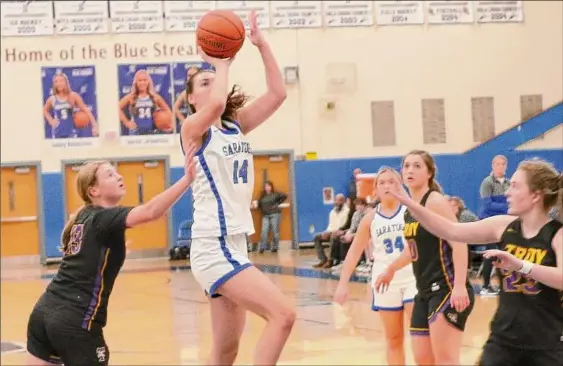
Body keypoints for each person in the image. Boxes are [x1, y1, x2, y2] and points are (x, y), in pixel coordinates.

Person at [179, 10, 295, 366]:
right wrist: (221, 59)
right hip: (214, 244)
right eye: (204, 82)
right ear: (191, 100)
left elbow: (278, 93)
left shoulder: (236, 125)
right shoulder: (193, 129)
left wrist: (261, 45)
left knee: (226, 352)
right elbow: (216, 103)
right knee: (284, 316)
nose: (213, 84)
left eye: (215, 78)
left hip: (235, 243)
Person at [25, 144, 198, 366]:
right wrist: (187, 179)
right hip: (76, 320)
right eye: (109, 174)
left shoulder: (83, 218)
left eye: (116, 172)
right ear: (93, 191)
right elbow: (151, 212)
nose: (118, 176)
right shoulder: (103, 218)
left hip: (43, 312)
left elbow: (90, 255)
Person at [386, 158, 563, 366]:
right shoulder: (504, 225)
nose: (507, 192)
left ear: (535, 195)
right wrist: (409, 203)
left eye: (515, 186)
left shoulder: (557, 234)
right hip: (502, 341)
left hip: (546, 345)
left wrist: (521, 265)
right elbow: (451, 230)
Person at [375, 150, 474, 365]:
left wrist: (459, 286)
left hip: (445, 288)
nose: (410, 170)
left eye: (417, 166)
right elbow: (412, 249)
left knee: (445, 360)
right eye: (407, 166)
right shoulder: (411, 209)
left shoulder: (435, 201)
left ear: (429, 173)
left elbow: (459, 241)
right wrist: (391, 269)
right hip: (424, 291)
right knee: (423, 359)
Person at [334, 167, 417, 366]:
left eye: (392, 181)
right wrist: (343, 283)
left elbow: (417, 248)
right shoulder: (370, 218)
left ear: (400, 185)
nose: (387, 186)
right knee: (393, 338)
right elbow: (354, 252)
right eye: (382, 183)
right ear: (376, 190)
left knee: (419, 335)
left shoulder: (411, 212)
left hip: (413, 277)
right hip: (384, 281)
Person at [478, 155, 511, 295]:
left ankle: (502, 285)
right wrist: (507, 207)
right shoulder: (487, 182)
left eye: (503, 164)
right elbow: (487, 205)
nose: (501, 167)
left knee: (502, 254)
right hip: (489, 223)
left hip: (504, 223)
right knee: (490, 255)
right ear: (493, 165)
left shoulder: (509, 183)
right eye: (498, 164)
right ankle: (485, 286)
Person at [43, 72, 98, 138]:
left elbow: (86, 110)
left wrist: (94, 126)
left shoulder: (73, 96)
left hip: (72, 133)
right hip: (57, 133)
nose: (59, 83)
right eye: (56, 81)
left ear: (66, 82)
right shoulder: (52, 99)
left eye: (61, 81)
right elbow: (44, 110)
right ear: (54, 84)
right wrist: (51, 120)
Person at [118, 69, 173, 135]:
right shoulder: (131, 97)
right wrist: (127, 122)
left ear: (148, 82)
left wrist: (169, 124)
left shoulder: (155, 97)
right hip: (135, 132)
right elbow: (117, 108)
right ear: (136, 82)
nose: (142, 83)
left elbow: (168, 111)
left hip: (152, 131)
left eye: (144, 80)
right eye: (140, 80)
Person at [257, 180, 288, 253]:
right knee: (264, 231)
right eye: (266, 186)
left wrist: (278, 203)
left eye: (268, 186)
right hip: (265, 215)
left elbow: (285, 195)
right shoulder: (263, 196)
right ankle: (262, 247)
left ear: (271, 187)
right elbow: (259, 204)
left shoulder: (275, 194)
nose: (267, 188)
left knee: (275, 231)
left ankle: (275, 247)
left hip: (275, 214)